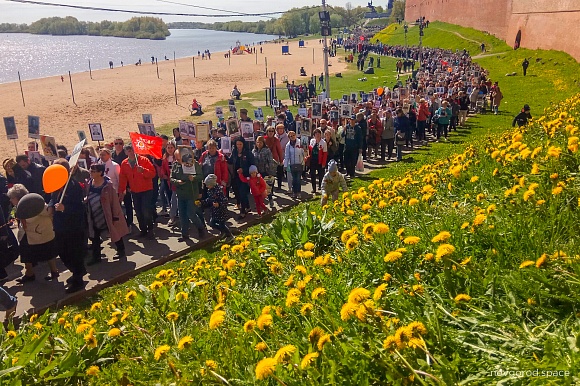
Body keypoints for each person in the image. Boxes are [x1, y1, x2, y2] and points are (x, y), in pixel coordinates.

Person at [7, 185, 59, 283]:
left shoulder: (35, 203)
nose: (10, 200)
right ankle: (30, 273)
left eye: (12, 198)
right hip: (30, 234)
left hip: (41, 232)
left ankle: (53, 271)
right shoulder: (20, 206)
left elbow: (48, 212)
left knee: (47, 252)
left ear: (18, 197)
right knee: (27, 252)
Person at [50, 159, 87, 293]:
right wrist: (50, 206)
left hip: (73, 226)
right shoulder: (56, 184)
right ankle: (78, 271)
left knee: (74, 253)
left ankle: (78, 280)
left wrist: (65, 208)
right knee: (62, 252)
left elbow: (79, 207)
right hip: (60, 226)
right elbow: (52, 198)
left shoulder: (73, 186)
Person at [86, 164, 129, 264]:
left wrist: (115, 216)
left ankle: (121, 250)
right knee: (94, 236)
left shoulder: (108, 185)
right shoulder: (89, 183)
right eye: (90, 170)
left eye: (93, 171)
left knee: (115, 232)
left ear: (100, 173)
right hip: (93, 214)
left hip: (107, 214)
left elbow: (114, 202)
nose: (91, 172)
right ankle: (96, 257)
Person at [118, 144, 157, 239]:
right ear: (125, 152)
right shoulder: (124, 163)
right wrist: (121, 191)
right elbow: (122, 178)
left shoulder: (144, 160)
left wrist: (143, 170)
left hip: (146, 189)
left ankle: (150, 230)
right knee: (138, 211)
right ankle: (143, 230)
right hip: (135, 191)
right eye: (128, 150)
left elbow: (153, 174)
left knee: (146, 210)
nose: (130, 152)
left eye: (131, 150)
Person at [170, 149, 206, 242]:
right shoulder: (175, 165)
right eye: (176, 159)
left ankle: (200, 227)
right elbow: (171, 178)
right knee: (182, 215)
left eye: (179, 159)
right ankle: (184, 234)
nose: (178, 161)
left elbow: (201, 176)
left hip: (191, 193)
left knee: (191, 213)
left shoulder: (193, 163)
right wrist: (177, 182)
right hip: (181, 194)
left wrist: (193, 178)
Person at [203, 174, 234, 243]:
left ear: (212, 184)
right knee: (212, 223)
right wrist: (203, 202)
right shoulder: (210, 190)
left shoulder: (218, 191)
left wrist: (219, 204)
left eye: (208, 185)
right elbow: (210, 199)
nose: (206, 186)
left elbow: (225, 200)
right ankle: (223, 232)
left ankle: (229, 235)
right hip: (214, 211)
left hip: (221, 211)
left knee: (222, 224)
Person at [229, 138, 254, 219]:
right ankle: (248, 206)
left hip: (245, 176)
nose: (239, 146)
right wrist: (224, 156)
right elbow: (230, 161)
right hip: (236, 176)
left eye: (240, 144)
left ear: (243, 144)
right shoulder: (234, 152)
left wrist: (243, 169)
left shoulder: (248, 153)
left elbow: (252, 164)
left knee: (243, 192)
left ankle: (243, 211)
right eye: (237, 144)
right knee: (239, 193)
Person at [111, 137, 133, 229]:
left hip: (125, 183)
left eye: (120, 143)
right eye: (116, 143)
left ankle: (130, 222)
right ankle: (121, 222)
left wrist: (128, 186)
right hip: (115, 184)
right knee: (117, 205)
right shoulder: (112, 155)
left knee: (128, 203)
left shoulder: (125, 155)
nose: (118, 145)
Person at [285, 131, 305, 199]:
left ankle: (299, 192)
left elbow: (303, 152)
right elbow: (287, 156)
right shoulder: (288, 145)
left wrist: (304, 161)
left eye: (293, 135)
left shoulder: (300, 142)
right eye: (291, 136)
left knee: (298, 179)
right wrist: (285, 165)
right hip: (292, 164)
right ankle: (294, 192)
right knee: (293, 179)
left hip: (299, 163)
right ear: (289, 137)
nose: (292, 137)